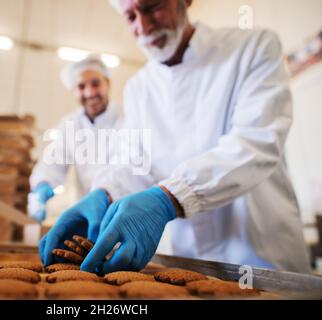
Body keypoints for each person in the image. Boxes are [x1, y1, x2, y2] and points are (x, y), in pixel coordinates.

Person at [39, 0, 310, 274]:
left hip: (259, 258)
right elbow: (137, 163)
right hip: (186, 262)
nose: (143, 26)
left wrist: (167, 199)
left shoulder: (253, 48)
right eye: (130, 16)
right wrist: (105, 193)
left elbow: (255, 144)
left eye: (152, 7)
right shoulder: (139, 88)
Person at [28, 56, 123, 223]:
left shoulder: (128, 117)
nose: (89, 92)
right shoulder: (69, 124)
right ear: (73, 91)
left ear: (108, 83)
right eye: (81, 86)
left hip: (124, 210)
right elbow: (53, 159)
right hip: (87, 213)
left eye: (95, 83)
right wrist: (43, 184)